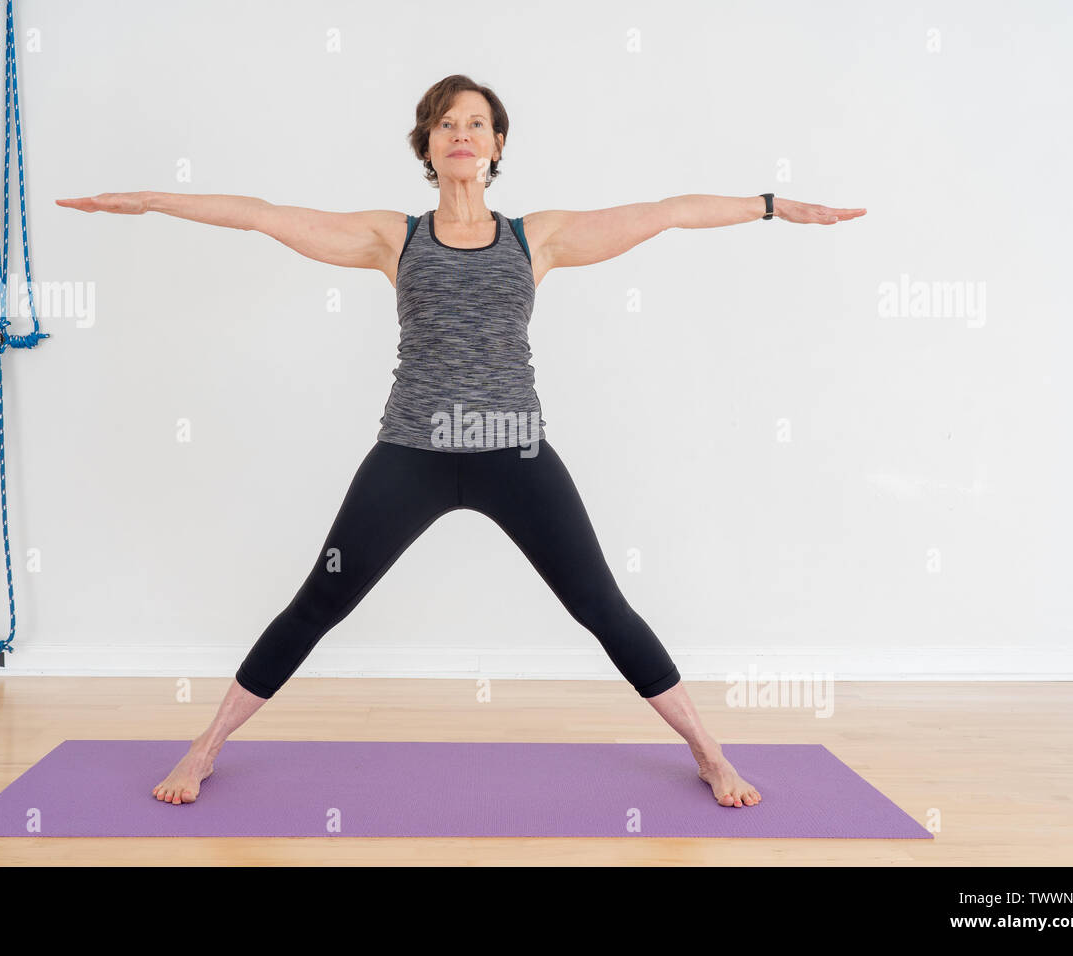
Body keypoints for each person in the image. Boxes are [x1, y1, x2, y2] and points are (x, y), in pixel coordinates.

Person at [58, 74, 865, 810]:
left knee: (601, 606)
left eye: (477, 123)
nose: (462, 135)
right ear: (428, 145)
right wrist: (158, 200)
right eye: (447, 124)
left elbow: (665, 214)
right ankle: (204, 749)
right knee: (320, 601)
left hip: (516, 455)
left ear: (499, 144)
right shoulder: (393, 237)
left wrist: (770, 205)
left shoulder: (534, 238)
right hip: (411, 453)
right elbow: (266, 217)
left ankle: (709, 752)